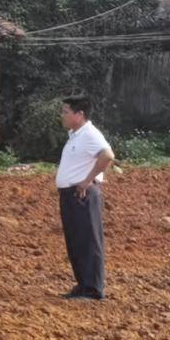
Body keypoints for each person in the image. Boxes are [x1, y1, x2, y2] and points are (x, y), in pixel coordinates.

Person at [55, 95, 114, 300]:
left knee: (88, 241)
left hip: (83, 194)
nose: (62, 115)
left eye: (66, 112)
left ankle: (92, 289)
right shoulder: (76, 135)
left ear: (79, 115)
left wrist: (88, 181)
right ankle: (83, 285)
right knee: (76, 241)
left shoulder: (89, 134)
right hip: (71, 195)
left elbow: (107, 155)